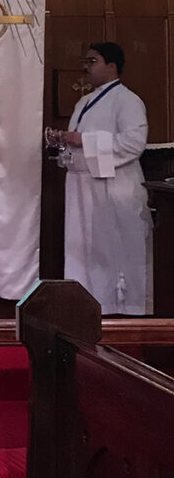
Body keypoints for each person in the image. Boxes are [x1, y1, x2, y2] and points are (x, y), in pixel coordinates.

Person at [61, 41, 152, 315]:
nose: (86, 67)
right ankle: (86, 304)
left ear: (111, 66)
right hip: (83, 187)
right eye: (86, 62)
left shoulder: (128, 100)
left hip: (113, 187)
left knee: (114, 248)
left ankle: (123, 306)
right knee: (86, 249)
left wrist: (84, 141)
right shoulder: (85, 101)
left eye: (93, 61)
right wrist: (65, 145)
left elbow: (134, 143)